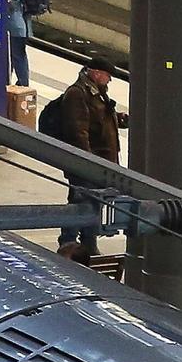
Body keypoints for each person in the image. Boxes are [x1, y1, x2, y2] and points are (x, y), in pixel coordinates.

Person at [54, 55, 123, 261]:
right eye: (107, 76)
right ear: (95, 73)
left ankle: (89, 245)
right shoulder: (77, 94)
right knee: (80, 202)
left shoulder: (97, 93)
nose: (109, 80)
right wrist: (87, 161)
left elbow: (98, 120)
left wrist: (120, 119)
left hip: (99, 163)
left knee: (94, 204)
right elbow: (77, 131)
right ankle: (68, 243)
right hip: (87, 163)